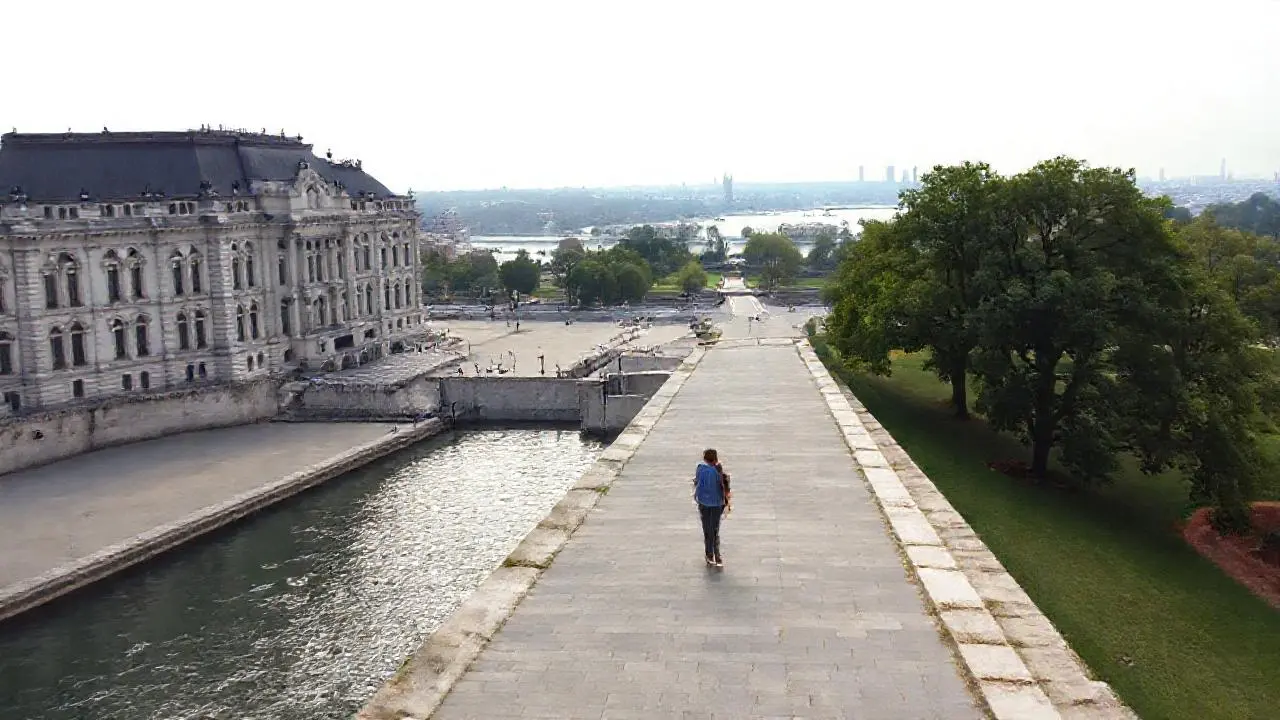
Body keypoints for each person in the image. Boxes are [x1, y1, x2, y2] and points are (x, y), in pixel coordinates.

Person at [692, 448, 731, 567]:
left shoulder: (700, 468)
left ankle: (709, 554)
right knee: (715, 529)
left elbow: (696, 481)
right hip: (717, 504)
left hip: (703, 503)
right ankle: (717, 555)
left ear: (705, 459)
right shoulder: (719, 470)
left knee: (707, 529)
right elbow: (725, 487)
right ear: (715, 459)